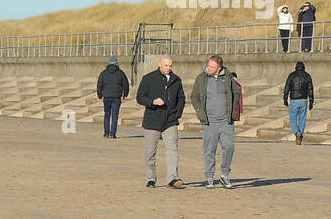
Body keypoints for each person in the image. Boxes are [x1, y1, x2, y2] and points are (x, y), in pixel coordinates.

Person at [190, 54, 240, 188]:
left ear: (219, 68)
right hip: (209, 121)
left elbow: (236, 94)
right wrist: (200, 111)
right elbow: (194, 96)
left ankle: (225, 175)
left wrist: (233, 111)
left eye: (212, 66)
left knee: (229, 147)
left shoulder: (228, 77)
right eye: (208, 65)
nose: (209, 68)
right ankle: (210, 177)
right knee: (209, 150)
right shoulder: (201, 78)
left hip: (226, 121)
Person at [136, 54, 186, 188]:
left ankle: (173, 178)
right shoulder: (148, 78)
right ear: (160, 64)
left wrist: (177, 114)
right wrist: (152, 102)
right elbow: (140, 97)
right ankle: (151, 178)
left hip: (170, 121)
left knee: (172, 150)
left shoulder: (176, 80)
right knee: (149, 153)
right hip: (152, 121)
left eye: (170, 66)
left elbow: (181, 98)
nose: (168, 68)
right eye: (166, 65)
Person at [96, 55, 130, 138]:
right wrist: (125, 94)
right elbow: (126, 84)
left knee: (107, 114)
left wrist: (99, 95)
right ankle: (113, 134)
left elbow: (99, 85)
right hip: (116, 97)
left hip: (106, 97)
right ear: (117, 63)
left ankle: (106, 133)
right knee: (115, 116)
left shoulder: (103, 73)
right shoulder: (121, 73)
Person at [283, 60, 314, 145]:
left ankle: (297, 132)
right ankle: (300, 137)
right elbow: (311, 90)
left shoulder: (291, 75)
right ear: (303, 68)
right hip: (303, 100)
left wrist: (285, 99)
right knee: (302, 120)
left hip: (294, 100)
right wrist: (311, 102)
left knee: (292, 119)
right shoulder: (307, 76)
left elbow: (287, 87)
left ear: (296, 68)